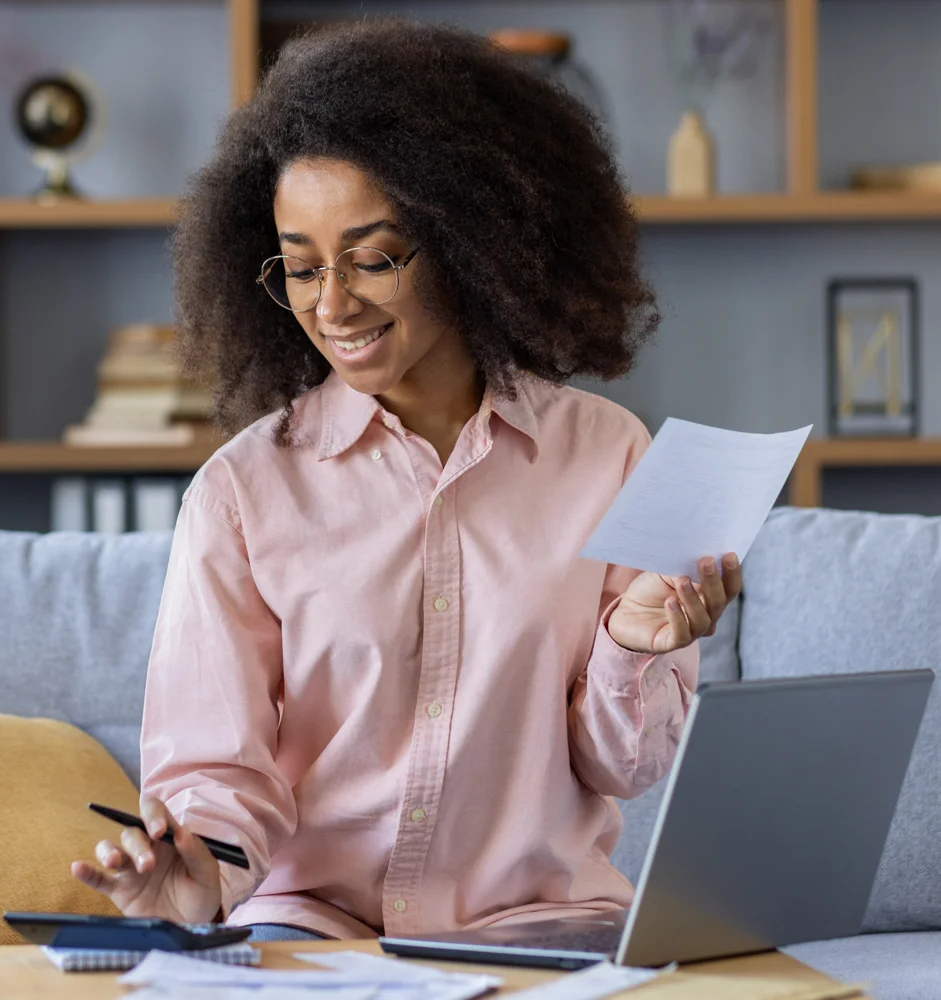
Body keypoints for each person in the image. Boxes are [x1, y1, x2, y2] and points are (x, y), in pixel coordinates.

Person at [70, 18, 739, 942]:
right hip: (317, 929)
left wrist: (632, 642)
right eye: (301, 268)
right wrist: (192, 875)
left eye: (373, 257)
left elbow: (624, 768)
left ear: (471, 239)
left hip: (545, 923)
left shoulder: (611, 456)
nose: (333, 304)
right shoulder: (243, 493)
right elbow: (218, 774)